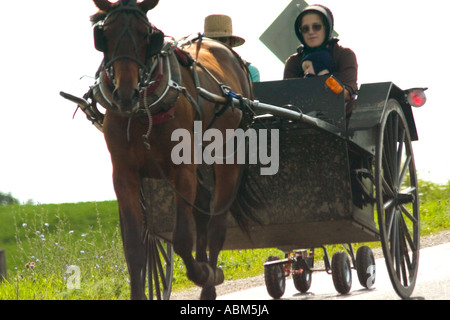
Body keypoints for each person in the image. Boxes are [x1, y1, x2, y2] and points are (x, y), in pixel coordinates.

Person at [284, 5, 357, 102]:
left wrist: (324, 78)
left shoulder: (344, 55)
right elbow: (286, 97)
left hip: (342, 115)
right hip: (301, 115)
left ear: (326, 28)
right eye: (305, 29)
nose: (311, 32)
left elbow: (347, 94)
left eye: (316, 27)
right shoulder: (293, 62)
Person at [204, 14, 260, 82]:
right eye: (212, 40)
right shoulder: (195, 71)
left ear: (232, 42)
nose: (217, 45)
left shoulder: (250, 71)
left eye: (222, 40)